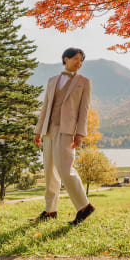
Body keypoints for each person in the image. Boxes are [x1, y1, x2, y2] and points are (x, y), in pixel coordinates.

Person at [32, 47, 95, 225]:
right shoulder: (52, 80)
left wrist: (80, 133)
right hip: (49, 129)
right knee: (49, 170)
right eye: (76, 59)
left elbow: (84, 110)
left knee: (65, 170)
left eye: (81, 60)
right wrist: (38, 130)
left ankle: (84, 206)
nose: (79, 63)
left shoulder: (84, 82)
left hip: (67, 130)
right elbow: (45, 106)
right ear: (66, 59)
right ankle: (50, 210)